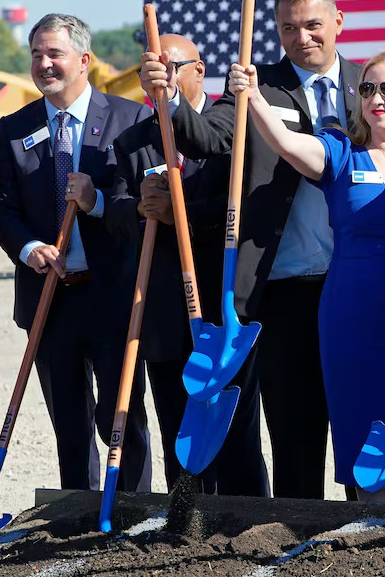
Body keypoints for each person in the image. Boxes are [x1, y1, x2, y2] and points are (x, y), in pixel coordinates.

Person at [139, 0, 385, 499]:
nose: (301, 37)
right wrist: (168, 101)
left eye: (312, 25)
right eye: (287, 28)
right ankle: (298, 533)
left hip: (362, 284)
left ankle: (364, 530)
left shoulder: (373, 83)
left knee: (364, 418)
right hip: (287, 286)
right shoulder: (259, 86)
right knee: (297, 432)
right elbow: (207, 136)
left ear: (337, 23)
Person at [226, 49, 385, 503]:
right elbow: (288, 143)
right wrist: (253, 96)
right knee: (365, 434)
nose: (377, 99)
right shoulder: (341, 151)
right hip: (350, 314)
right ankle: (374, 543)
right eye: (368, 89)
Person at [0, 13, 153, 491]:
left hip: (114, 296)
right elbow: (2, 209)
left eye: (54, 54)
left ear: (84, 60)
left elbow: (142, 207)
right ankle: (77, 512)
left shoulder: (129, 119)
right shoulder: (15, 127)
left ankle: (133, 511)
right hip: (49, 298)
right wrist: (28, 247)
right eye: (36, 54)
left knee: (122, 420)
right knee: (70, 428)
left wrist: (97, 202)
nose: (44, 64)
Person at [106, 34, 269, 496]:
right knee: (179, 424)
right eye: (151, 71)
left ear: (198, 71)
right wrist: (140, 208)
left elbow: (242, 201)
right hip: (162, 309)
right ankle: (185, 517)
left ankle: (248, 518)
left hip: (221, 309)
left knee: (237, 432)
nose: (160, 77)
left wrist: (180, 212)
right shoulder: (132, 141)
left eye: (172, 67)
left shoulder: (229, 122)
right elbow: (116, 209)